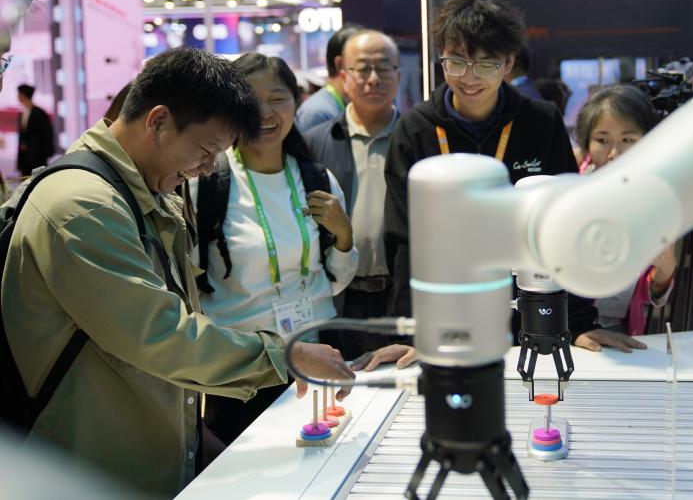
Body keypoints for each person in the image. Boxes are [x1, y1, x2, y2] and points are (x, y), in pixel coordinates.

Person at [1, 48, 354, 496]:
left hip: (142, 457)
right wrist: (282, 356)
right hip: (86, 471)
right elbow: (160, 334)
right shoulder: (83, 206)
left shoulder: (145, 191)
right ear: (158, 121)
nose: (207, 168)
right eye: (205, 150)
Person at [356, 0, 643, 371]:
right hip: (448, 309)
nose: (469, 77)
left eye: (485, 64)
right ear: (442, 60)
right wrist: (411, 332)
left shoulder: (540, 122)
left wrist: (577, 322)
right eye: (456, 61)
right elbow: (403, 239)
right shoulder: (415, 131)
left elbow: (563, 225)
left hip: (527, 309)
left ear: (508, 63)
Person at [190, 52, 358, 448]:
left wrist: (344, 236)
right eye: (250, 100)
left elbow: (335, 281)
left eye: (277, 99)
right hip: (244, 368)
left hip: (317, 354)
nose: (264, 113)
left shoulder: (318, 179)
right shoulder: (206, 184)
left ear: (297, 101)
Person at [304, 30, 400, 359]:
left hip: (398, 296)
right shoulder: (317, 141)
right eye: (362, 69)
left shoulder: (415, 139)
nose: (374, 79)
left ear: (398, 75)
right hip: (338, 298)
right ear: (343, 75)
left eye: (384, 68)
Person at [575, 85, 676, 334]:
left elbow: (652, 292)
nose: (614, 153)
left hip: (620, 330)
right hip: (570, 327)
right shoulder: (571, 194)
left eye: (627, 140)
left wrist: (665, 271)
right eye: (602, 140)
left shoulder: (655, 200)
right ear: (587, 143)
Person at [294, 23, 364, 132]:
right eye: (362, 64)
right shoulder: (317, 113)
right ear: (340, 64)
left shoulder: (335, 106)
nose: (373, 76)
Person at [15, 84, 55, 176]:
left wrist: (45, 153)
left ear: (24, 95)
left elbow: (47, 134)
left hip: (37, 158)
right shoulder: (23, 113)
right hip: (25, 159)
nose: (18, 97)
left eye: (19, 94)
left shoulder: (40, 113)